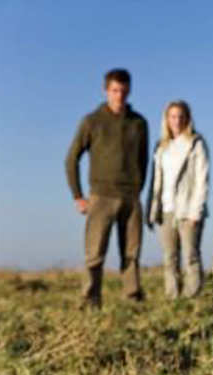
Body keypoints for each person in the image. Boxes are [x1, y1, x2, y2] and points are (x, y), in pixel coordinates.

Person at [65, 68, 149, 308]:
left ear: (129, 90)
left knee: (131, 254)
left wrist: (138, 188)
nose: (119, 95)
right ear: (106, 91)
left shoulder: (139, 123)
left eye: (123, 90)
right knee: (94, 254)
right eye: (114, 90)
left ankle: (133, 301)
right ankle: (90, 301)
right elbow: (71, 159)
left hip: (131, 198)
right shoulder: (92, 121)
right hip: (100, 196)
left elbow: (144, 161)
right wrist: (78, 196)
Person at [146, 100, 210, 299]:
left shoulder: (196, 143)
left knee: (191, 255)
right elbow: (156, 181)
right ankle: (172, 297)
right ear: (166, 119)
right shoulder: (161, 146)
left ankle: (192, 297)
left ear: (187, 118)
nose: (177, 120)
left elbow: (202, 178)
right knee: (169, 257)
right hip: (166, 209)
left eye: (181, 116)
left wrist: (195, 211)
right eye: (172, 116)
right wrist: (153, 209)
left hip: (188, 210)